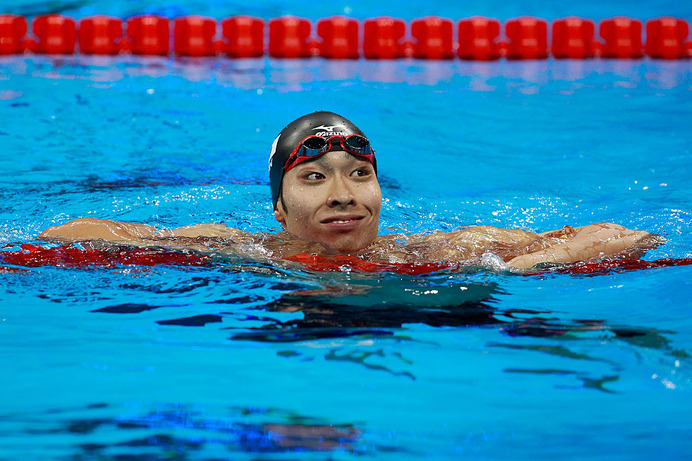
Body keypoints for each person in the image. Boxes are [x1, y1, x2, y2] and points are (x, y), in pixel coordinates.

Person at [39, 111, 662, 270]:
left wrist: (531, 263)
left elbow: (608, 237)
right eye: (314, 178)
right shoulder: (242, 249)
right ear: (279, 208)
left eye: (358, 174)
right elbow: (64, 234)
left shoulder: (441, 249)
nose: (343, 193)